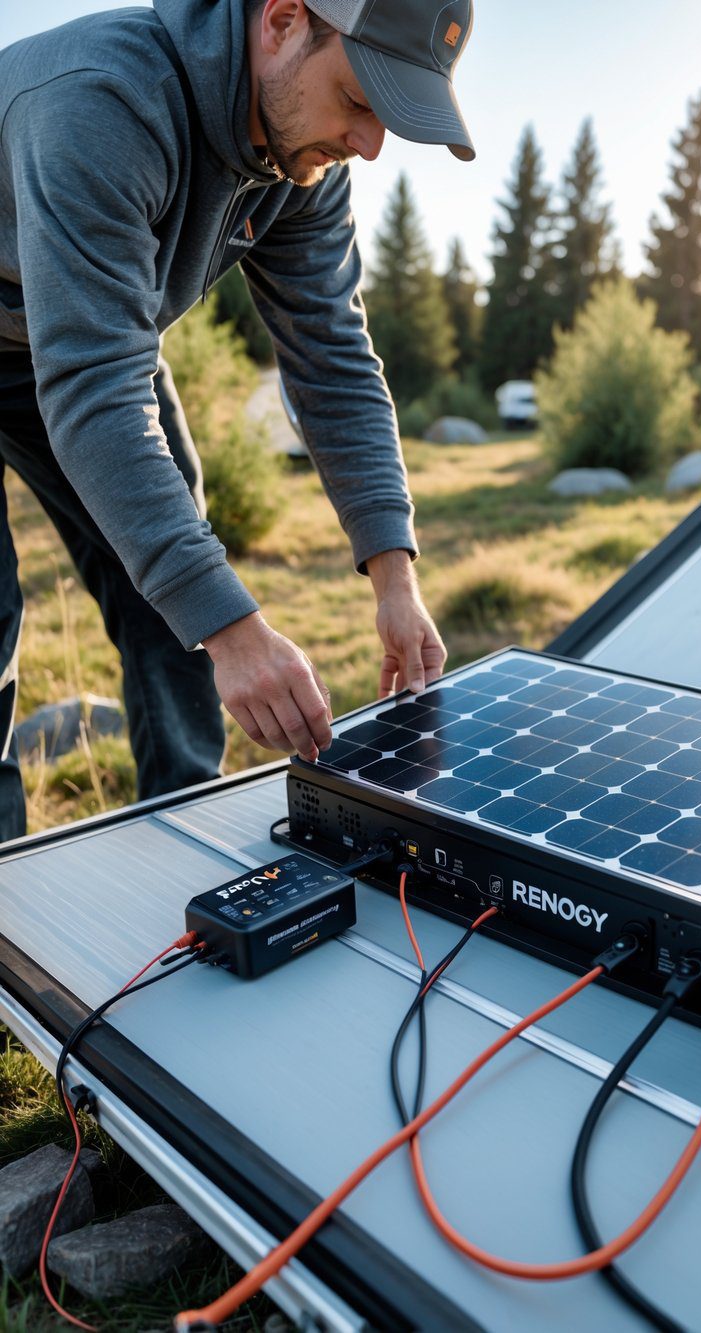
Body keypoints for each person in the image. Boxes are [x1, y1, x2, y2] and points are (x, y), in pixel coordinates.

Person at [0, 0, 476, 841]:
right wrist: (234, 631)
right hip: (73, 345)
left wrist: (396, 577)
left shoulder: (302, 162)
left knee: (172, 589)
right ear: (284, 21)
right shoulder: (103, 100)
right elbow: (94, 390)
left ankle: (172, 834)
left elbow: (332, 358)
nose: (370, 145)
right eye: (361, 101)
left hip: (82, 335)